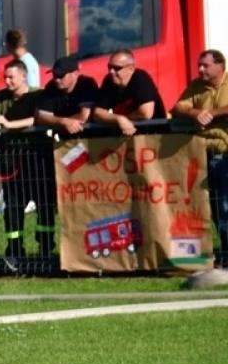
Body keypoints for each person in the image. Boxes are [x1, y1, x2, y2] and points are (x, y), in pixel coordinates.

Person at [0, 59, 58, 273]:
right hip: (13, 162)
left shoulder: (38, 94)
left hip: (38, 159)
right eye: (5, 77)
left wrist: (9, 125)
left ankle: (46, 250)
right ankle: (15, 249)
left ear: (23, 76)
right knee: (13, 208)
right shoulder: (1, 97)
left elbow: (38, 119)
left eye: (11, 77)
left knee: (45, 208)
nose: (7, 81)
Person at [170, 49, 228, 265]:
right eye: (199, 65)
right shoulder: (197, 86)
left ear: (220, 66)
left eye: (205, 65)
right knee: (213, 206)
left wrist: (213, 113)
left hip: (225, 152)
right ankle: (224, 250)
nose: (200, 69)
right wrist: (195, 113)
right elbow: (177, 106)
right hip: (204, 153)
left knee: (224, 205)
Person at [91, 51, 164, 135]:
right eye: (109, 67)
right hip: (125, 137)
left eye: (117, 68)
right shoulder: (109, 81)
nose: (111, 71)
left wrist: (123, 119)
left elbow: (146, 113)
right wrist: (119, 119)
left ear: (131, 69)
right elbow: (97, 113)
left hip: (153, 134)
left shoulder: (141, 78)